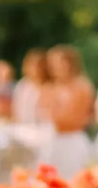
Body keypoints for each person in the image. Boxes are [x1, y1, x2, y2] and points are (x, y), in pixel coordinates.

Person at [40, 45, 94, 175]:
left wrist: (59, 117)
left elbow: (79, 118)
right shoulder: (49, 88)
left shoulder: (82, 86)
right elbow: (46, 113)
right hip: (54, 141)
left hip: (73, 141)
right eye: (52, 63)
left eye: (59, 63)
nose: (56, 67)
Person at [12, 50, 48, 126]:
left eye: (39, 65)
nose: (35, 69)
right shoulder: (22, 85)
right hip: (23, 128)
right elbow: (16, 111)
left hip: (44, 129)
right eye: (32, 65)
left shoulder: (49, 86)